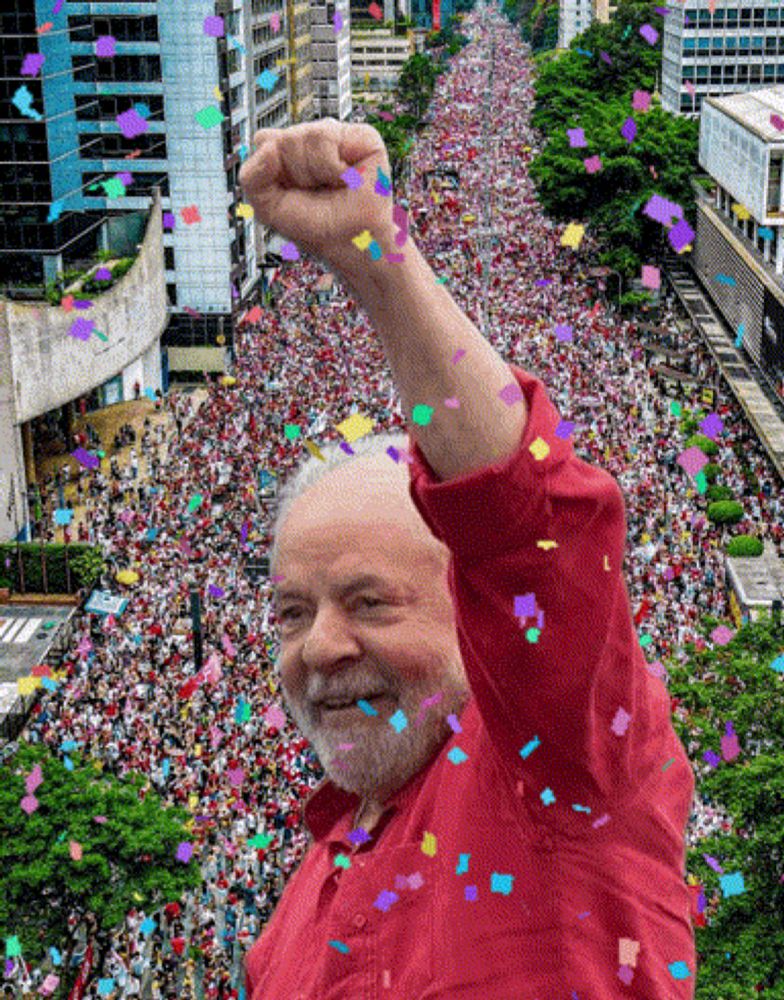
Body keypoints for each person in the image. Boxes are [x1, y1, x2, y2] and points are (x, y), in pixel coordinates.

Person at [239, 118, 696, 997]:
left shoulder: (565, 779)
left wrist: (379, 260)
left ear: (480, 611)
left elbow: (522, 522)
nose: (320, 648)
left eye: (370, 603)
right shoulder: (296, 907)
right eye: (293, 613)